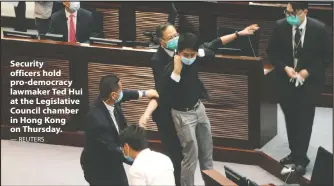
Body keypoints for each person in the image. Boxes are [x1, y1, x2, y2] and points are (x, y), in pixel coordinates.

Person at [156, 25, 259, 186]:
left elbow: (216, 43)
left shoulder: (197, 55)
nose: (189, 57)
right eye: (186, 55)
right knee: (191, 156)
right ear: (178, 52)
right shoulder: (169, 69)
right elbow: (164, 94)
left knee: (207, 153)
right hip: (182, 115)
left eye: (193, 54)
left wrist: (239, 34)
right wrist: (176, 71)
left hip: (199, 108)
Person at [267, 2, 331, 175]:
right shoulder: (280, 27)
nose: (289, 16)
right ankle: (295, 153)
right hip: (285, 81)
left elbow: (326, 58)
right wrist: (286, 68)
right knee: (290, 118)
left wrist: (307, 72)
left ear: (305, 12)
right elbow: (272, 53)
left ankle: (301, 159)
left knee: (304, 119)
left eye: (293, 13)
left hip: (309, 83)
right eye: (287, 13)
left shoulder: (319, 29)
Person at [80, 74, 159, 186]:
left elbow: (125, 95)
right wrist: (137, 158)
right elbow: (111, 148)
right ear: (113, 95)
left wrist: (144, 93)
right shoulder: (97, 120)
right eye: (120, 90)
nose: (122, 92)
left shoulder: (107, 98)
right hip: (99, 166)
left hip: (113, 158)